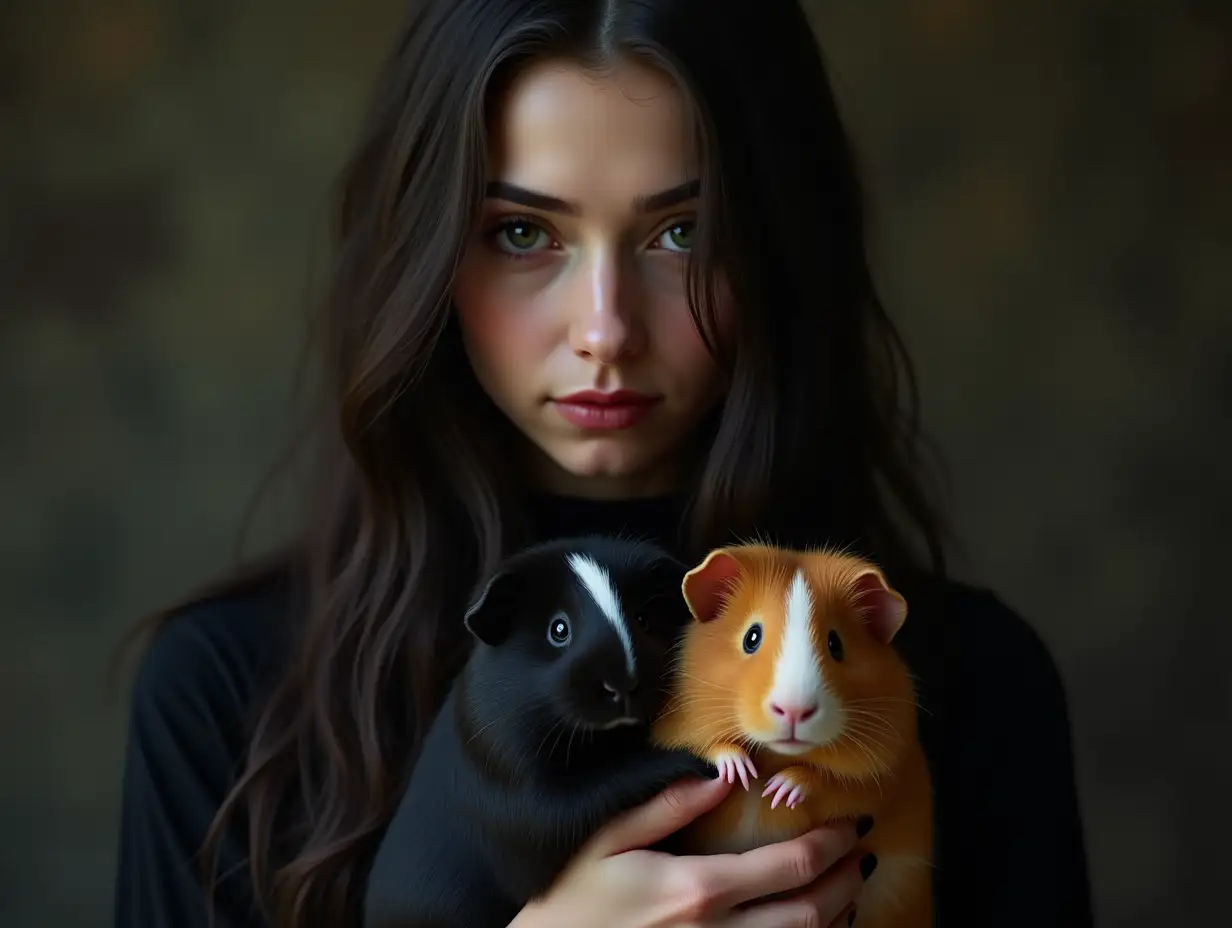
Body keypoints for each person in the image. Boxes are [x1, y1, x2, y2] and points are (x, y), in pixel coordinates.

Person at [113, 0, 1095, 926]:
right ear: (423, 254)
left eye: (682, 232)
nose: (604, 330)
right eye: (520, 233)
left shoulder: (969, 688)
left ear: (782, 248)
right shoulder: (230, 696)